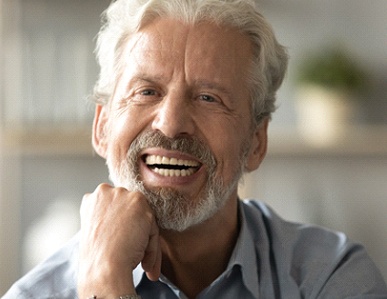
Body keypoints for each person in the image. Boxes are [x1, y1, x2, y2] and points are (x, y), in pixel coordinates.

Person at [3, 0, 387, 298]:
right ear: (102, 126)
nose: (170, 123)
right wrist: (105, 275)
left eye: (208, 97)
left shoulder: (331, 279)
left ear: (256, 142)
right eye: (146, 92)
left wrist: (107, 286)